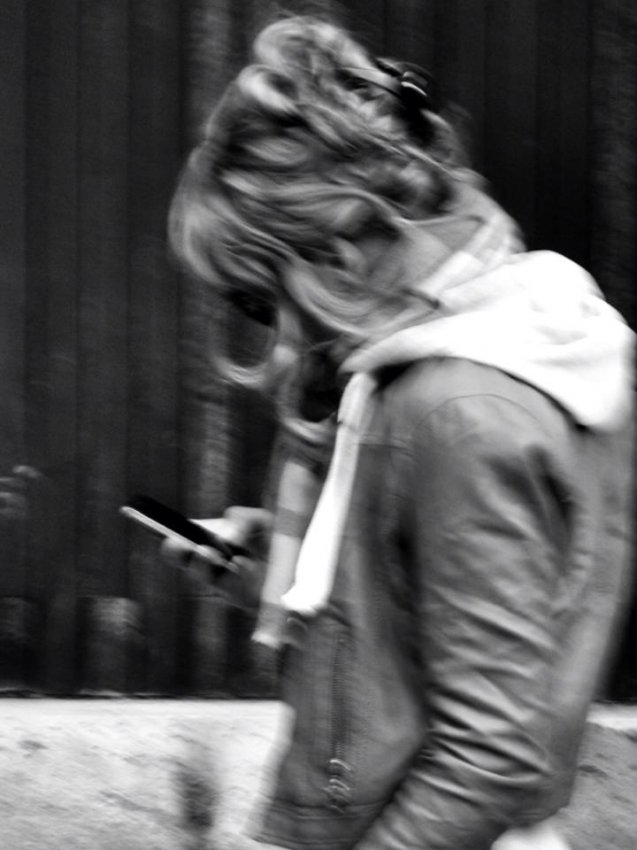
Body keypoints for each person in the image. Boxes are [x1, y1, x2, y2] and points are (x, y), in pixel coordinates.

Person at [167, 15, 634, 850]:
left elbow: (489, 758)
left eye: (254, 300)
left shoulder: (452, 412)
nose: (267, 338)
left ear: (334, 258)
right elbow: (429, 609)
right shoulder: (521, 334)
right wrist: (269, 558)